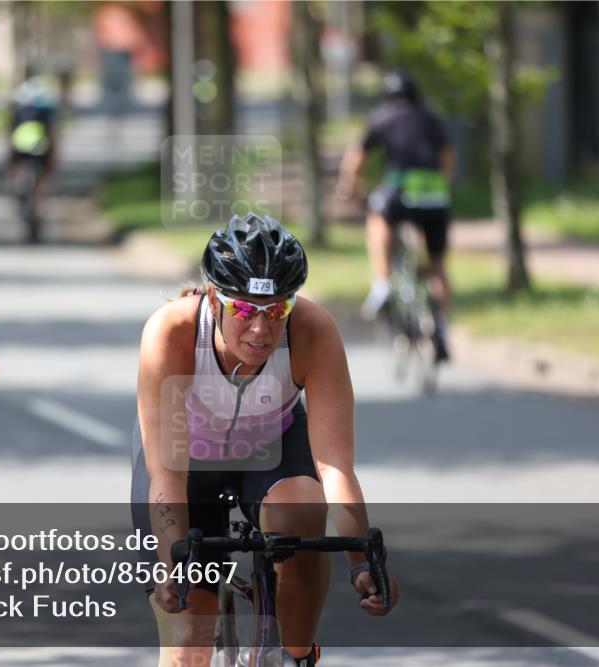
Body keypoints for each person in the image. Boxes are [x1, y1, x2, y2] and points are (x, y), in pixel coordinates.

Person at [131, 214, 399, 666]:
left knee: (303, 511)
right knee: (185, 653)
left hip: (271, 447)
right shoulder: (172, 333)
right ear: (213, 301)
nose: (261, 330)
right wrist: (170, 565)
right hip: (185, 465)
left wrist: (361, 564)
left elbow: (334, 467)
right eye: (243, 311)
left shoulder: (314, 331)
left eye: (277, 311)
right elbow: (167, 473)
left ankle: (295, 656)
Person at [337, 71, 455, 361]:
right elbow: (449, 161)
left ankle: (382, 283)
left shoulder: (382, 116)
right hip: (435, 193)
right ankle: (440, 328)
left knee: (377, 217)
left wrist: (350, 189)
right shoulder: (432, 118)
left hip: (400, 189)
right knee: (437, 265)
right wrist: (439, 188)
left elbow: (355, 160)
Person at [7, 76, 58, 243]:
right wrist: (53, 162)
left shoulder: (19, 111)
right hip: (41, 151)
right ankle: (39, 206)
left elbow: (10, 138)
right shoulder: (46, 112)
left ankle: (21, 193)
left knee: (21, 180)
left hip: (20, 151)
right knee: (41, 184)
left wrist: (10, 165)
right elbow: (52, 138)